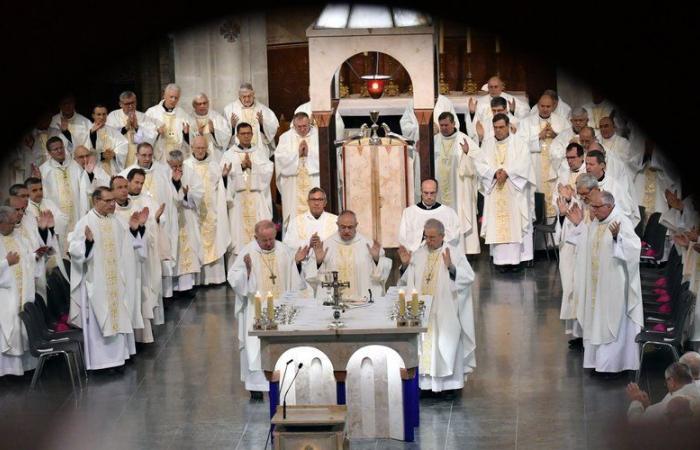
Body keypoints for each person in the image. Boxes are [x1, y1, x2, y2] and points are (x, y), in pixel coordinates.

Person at [227, 220, 310, 399]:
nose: (269, 243)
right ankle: (256, 387)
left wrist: (296, 263)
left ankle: (284, 382)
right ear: (255, 237)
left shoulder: (283, 249)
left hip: (281, 308)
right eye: (264, 240)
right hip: (255, 310)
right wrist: (247, 273)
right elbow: (233, 277)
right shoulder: (247, 252)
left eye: (271, 239)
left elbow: (294, 280)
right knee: (255, 347)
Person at [68, 187, 146, 370]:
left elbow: (129, 245)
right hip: (97, 282)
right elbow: (74, 249)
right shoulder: (85, 222)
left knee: (118, 315)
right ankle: (101, 362)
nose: (113, 204)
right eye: (108, 201)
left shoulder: (117, 220)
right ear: (96, 201)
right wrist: (87, 244)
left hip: (117, 282)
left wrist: (135, 230)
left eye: (113, 200)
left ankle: (120, 358)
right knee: (100, 319)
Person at [567, 190, 643, 376]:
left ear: (609, 206)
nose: (593, 210)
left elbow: (634, 249)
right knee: (596, 319)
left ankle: (614, 365)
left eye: (596, 207)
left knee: (612, 322)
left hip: (614, 285)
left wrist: (618, 238)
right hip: (596, 285)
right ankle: (596, 362)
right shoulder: (596, 222)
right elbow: (586, 243)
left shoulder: (621, 221)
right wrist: (579, 224)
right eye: (592, 206)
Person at [397, 218, 476, 396]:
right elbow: (406, 280)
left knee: (446, 344)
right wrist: (404, 265)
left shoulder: (454, 252)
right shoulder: (418, 253)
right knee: (424, 345)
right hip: (424, 311)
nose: (429, 241)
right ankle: (425, 386)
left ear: (442, 236)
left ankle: (449, 386)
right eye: (426, 237)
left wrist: (452, 268)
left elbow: (469, 277)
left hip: (445, 311)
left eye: (433, 237)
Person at [476, 113, 535, 271]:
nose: (498, 130)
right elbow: (480, 164)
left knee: (515, 222)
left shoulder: (519, 143)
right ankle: (500, 262)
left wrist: (507, 172)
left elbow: (524, 163)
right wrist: (495, 173)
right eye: (495, 127)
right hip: (495, 188)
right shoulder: (487, 144)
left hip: (514, 190)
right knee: (498, 223)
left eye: (501, 127)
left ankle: (516, 261)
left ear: (508, 126)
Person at [113, 172, 166, 343]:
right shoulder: (110, 212)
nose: (123, 190)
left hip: (136, 264)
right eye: (119, 187)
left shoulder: (135, 209)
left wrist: (141, 227)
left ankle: (140, 338)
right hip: (116, 266)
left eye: (124, 187)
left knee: (138, 296)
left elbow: (148, 238)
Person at [306, 210, 392, 299]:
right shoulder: (325, 246)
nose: (346, 231)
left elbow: (381, 275)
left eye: (350, 227)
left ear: (356, 225)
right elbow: (310, 276)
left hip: (362, 302)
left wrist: (376, 260)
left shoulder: (369, 245)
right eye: (343, 227)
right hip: (333, 302)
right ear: (337, 225)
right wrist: (318, 262)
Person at [556, 173, 599, 348]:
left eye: (583, 194)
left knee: (585, 293)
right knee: (573, 290)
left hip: (591, 259)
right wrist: (566, 208)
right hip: (575, 254)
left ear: (593, 189)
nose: (581, 198)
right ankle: (578, 334)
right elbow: (570, 224)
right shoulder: (582, 202)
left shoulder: (600, 204)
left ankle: (586, 335)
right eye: (579, 194)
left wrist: (580, 224)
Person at [220, 123, 273, 259]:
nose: (246, 136)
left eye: (249, 133)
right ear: (237, 135)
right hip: (237, 202)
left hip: (256, 199)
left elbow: (268, 172)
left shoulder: (259, 153)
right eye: (243, 133)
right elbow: (223, 175)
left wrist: (252, 166)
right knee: (237, 235)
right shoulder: (228, 154)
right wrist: (240, 167)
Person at [433, 112, 481, 254]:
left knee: (461, 214)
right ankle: (443, 248)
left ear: (454, 124)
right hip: (442, 189)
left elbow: (478, 162)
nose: (444, 128)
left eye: (447, 125)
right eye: (441, 125)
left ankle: (466, 251)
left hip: (459, 188)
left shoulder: (464, 139)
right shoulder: (435, 140)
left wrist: (467, 154)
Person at [184, 136, 230, 285]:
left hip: (211, 211)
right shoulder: (186, 165)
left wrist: (224, 178)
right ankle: (198, 280)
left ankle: (215, 278)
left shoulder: (214, 165)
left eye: (203, 147)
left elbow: (220, 190)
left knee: (214, 239)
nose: (200, 151)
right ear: (192, 148)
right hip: (193, 212)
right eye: (197, 148)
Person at [518, 93, 569, 220]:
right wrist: (538, 137)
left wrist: (556, 136)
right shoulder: (526, 123)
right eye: (542, 106)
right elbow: (520, 145)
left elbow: (569, 143)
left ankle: (554, 234)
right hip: (535, 168)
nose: (545, 109)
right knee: (537, 199)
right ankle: (538, 231)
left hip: (554, 168)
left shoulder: (562, 122)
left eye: (548, 106)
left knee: (553, 197)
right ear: (537, 106)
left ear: (553, 106)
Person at [0, 206, 37, 376]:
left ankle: (26, 366)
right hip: (5, 297)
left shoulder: (17, 237)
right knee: (10, 330)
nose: (12, 226)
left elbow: (26, 257)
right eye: (9, 223)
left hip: (21, 293)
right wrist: (6, 263)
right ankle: (8, 371)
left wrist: (35, 257)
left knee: (22, 328)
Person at [39, 136, 89, 252]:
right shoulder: (44, 170)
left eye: (61, 147)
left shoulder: (75, 165)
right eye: (55, 149)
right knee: (61, 248)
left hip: (76, 213)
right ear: (49, 152)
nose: (60, 151)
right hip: (58, 215)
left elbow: (83, 189)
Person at [164, 150, 203, 297]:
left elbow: (199, 192)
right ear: (168, 164)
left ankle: (187, 286)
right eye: (174, 166)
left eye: (180, 165)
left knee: (189, 247)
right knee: (174, 249)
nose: (178, 169)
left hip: (187, 216)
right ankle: (173, 287)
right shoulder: (163, 174)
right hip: (171, 216)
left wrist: (187, 194)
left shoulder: (190, 173)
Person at [276, 112, 321, 229]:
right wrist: (297, 153)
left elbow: (325, 157)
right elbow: (280, 160)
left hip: (313, 180)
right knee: (294, 219)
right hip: (293, 184)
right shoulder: (285, 138)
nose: (302, 129)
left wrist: (309, 154)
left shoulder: (319, 135)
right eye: (299, 127)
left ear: (309, 124)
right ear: (294, 125)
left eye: (305, 126)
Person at [398, 179, 461, 253]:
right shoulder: (409, 212)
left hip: (441, 256)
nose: (429, 196)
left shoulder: (448, 212)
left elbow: (455, 236)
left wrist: (437, 234)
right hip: (417, 256)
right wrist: (423, 234)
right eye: (426, 193)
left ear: (437, 192)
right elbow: (403, 237)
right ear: (421, 191)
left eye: (432, 193)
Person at [626, 362, 700, 424]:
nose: (666, 385)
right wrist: (647, 407)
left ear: (671, 381)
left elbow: (636, 423)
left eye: (666, 382)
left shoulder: (673, 404)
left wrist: (636, 401)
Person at [224, 82, 279, 159]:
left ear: (253, 95)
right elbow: (224, 135)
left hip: (259, 149)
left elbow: (272, 130)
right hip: (237, 150)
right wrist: (232, 127)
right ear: (239, 96)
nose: (247, 99)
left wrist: (262, 125)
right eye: (244, 97)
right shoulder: (229, 110)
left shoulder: (263, 110)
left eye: (249, 96)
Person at [585, 149, 640, 226]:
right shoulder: (585, 183)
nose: (587, 167)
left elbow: (626, 211)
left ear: (602, 166)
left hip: (610, 228)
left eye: (591, 164)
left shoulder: (614, 186)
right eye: (586, 164)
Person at [107, 91, 158, 170]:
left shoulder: (143, 117)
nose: (131, 106)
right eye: (127, 104)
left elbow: (151, 138)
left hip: (138, 157)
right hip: (121, 157)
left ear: (136, 102)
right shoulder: (113, 116)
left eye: (133, 103)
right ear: (120, 104)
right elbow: (109, 136)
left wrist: (137, 127)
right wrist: (125, 129)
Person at [145, 83, 193, 162]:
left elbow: (192, 138)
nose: (173, 100)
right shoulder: (152, 113)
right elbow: (143, 136)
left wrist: (186, 134)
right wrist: (156, 132)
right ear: (164, 95)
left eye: (176, 98)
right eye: (171, 97)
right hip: (160, 155)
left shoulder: (182, 114)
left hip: (178, 154)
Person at [283, 187, 338, 251]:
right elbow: (287, 245)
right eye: (313, 199)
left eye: (320, 199)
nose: (316, 203)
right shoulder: (296, 222)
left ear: (325, 202)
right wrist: (308, 243)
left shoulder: (335, 221)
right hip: (304, 260)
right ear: (308, 202)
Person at [84, 104, 128, 176]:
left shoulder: (113, 131)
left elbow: (122, 144)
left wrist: (114, 154)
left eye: (104, 114)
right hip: (95, 169)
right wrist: (101, 155)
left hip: (111, 168)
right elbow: (85, 149)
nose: (102, 117)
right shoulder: (87, 130)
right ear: (93, 115)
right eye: (98, 114)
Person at [190, 93, 231, 160]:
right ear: (194, 106)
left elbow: (226, 138)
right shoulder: (189, 119)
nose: (202, 106)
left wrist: (213, 131)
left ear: (208, 104)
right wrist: (199, 134)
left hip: (215, 155)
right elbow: (187, 142)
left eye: (204, 103)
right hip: (196, 158)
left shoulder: (216, 117)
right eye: (199, 104)